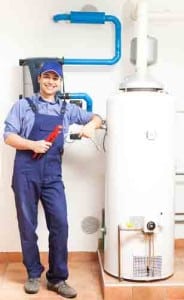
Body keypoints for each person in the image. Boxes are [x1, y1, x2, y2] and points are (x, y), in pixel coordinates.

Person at [3, 60, 102, 298]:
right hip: (26, 171)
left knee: (60, 224)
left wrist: (92, 126)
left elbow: (97, 116)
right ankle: (33, 274)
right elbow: (8, 135)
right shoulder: (23, 105)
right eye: (46, 76)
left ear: (60, 82)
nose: (50, 81)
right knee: (28, 225)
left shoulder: (67, 110)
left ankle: (58, 279)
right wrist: (32, 144)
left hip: (52, 175)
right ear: (39, 79)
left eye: (55, 78)